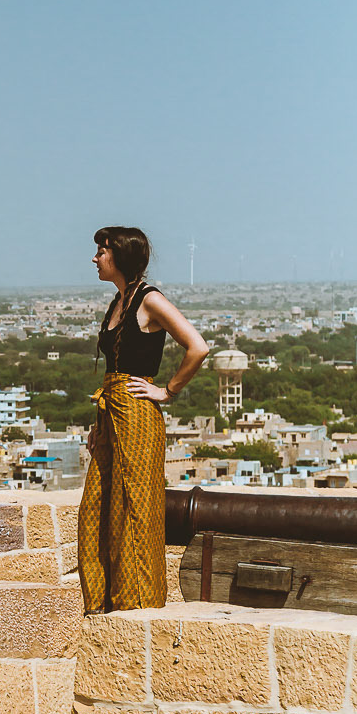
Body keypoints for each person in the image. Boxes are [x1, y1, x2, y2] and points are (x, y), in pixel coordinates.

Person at [78, 226, 208, 613]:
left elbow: (197, 346)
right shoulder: (120, 300)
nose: (96, 258)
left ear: (119, 256)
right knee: (97, 511)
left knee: (134, 510)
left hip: (136, 415)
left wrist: (167, 391)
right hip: (111, 413)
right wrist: (98, 424)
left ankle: (136, 605)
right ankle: (102, 603)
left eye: (102, 252)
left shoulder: (149, 300)